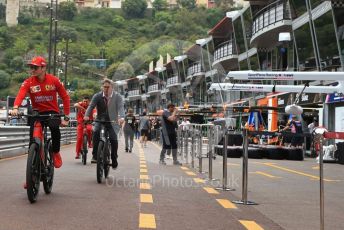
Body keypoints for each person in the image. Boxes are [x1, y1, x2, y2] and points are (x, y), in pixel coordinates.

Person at [10, 56, 70, 169]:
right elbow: (21, 94)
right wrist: (15, 107)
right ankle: (31, 173)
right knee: (33, 139)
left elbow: (65, 97)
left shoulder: (54, 80)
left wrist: (66, 117)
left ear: (43, 68)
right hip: (37, 113)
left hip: (52, 112)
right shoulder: (28, 82)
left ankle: (56, 152)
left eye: (35, 67)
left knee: (54, 129)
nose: (32, 70)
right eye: (31, 67)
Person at [84, 78, 124, 169]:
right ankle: (95, 155)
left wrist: (122, 117)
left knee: (114, 138)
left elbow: (121, 108)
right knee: (96, 132)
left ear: (112, 87)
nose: (106, 89)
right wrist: (86, 115)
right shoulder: (97, 96)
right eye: (104, 87)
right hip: (100, 120)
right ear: (102, 87)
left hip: (112, 121)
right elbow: (91, 106)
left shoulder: (117, 97)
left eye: (108, 87)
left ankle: (114, 158)